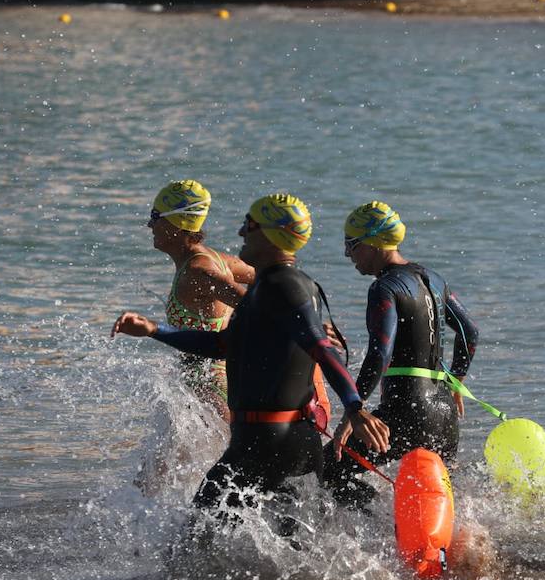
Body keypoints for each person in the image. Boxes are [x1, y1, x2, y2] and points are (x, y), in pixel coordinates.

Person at [114, 194, 390, 519]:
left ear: (272, 234)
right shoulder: (272, 287)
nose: (241, 232)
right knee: (292, 539)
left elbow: (321, 348)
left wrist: (355, 407)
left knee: (195, 536)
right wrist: (153, 330)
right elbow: (223, 345)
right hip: (277, 440)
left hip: (267, 443)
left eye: (249, 224)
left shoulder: (283, 286)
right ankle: (384, 527)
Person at [323, 201, 480, 508]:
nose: (347, 255)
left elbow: (380, 353)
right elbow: (469, 332)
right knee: (437, 496)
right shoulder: (435, 279)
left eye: (351, 245)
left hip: (407, 410)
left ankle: (378, 523)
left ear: (372, 243)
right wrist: (457, 380)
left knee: (329, 467)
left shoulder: (385, 287)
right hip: (445, 415)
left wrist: (354, 411)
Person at [146, 180, 254, 418]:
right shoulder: (213, 259)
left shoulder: (198, 271)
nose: (149, 224)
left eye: (155, 216)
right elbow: (269, 276)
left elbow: (256, 306)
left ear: (177, 224)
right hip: (208, 382)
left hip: (210, 387)